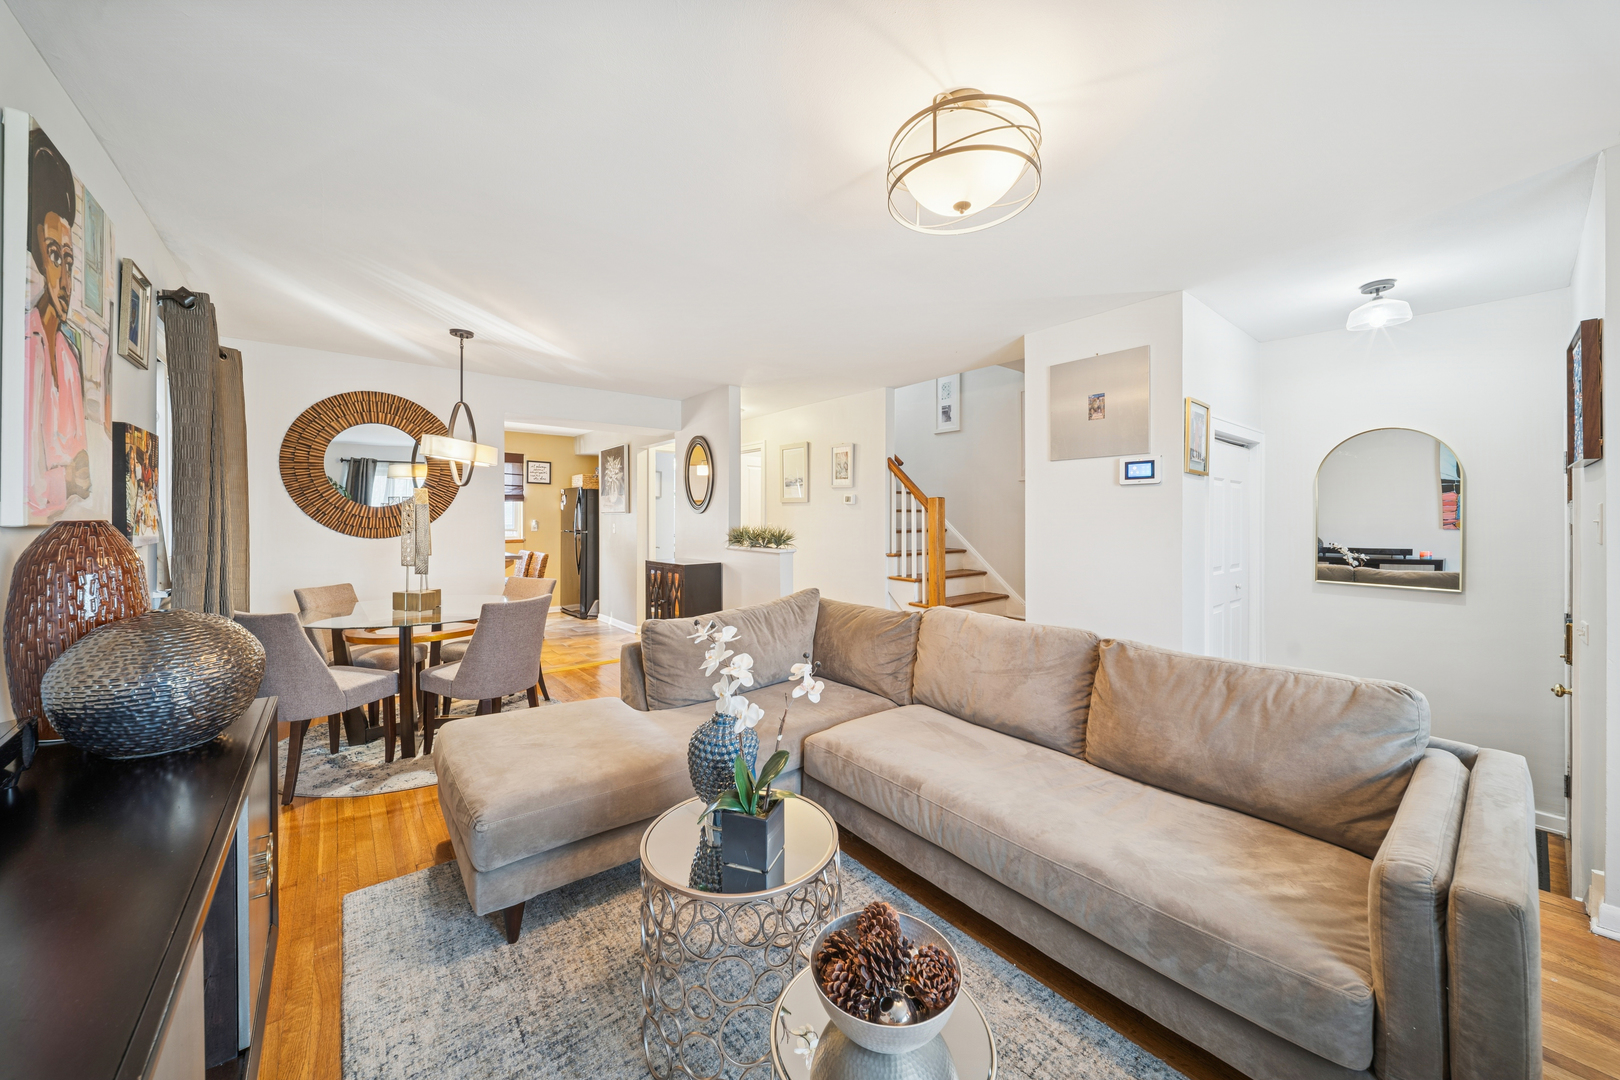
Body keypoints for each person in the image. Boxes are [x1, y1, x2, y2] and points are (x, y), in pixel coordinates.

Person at [24, 126, 90, 520]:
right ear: (36, 254)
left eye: (68, 258)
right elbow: (26, 482)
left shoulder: (69, 356)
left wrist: (66, 477)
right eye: (53, 254)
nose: (64, 278)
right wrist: (67, 478)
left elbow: (82, 467)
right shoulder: (23, 344)